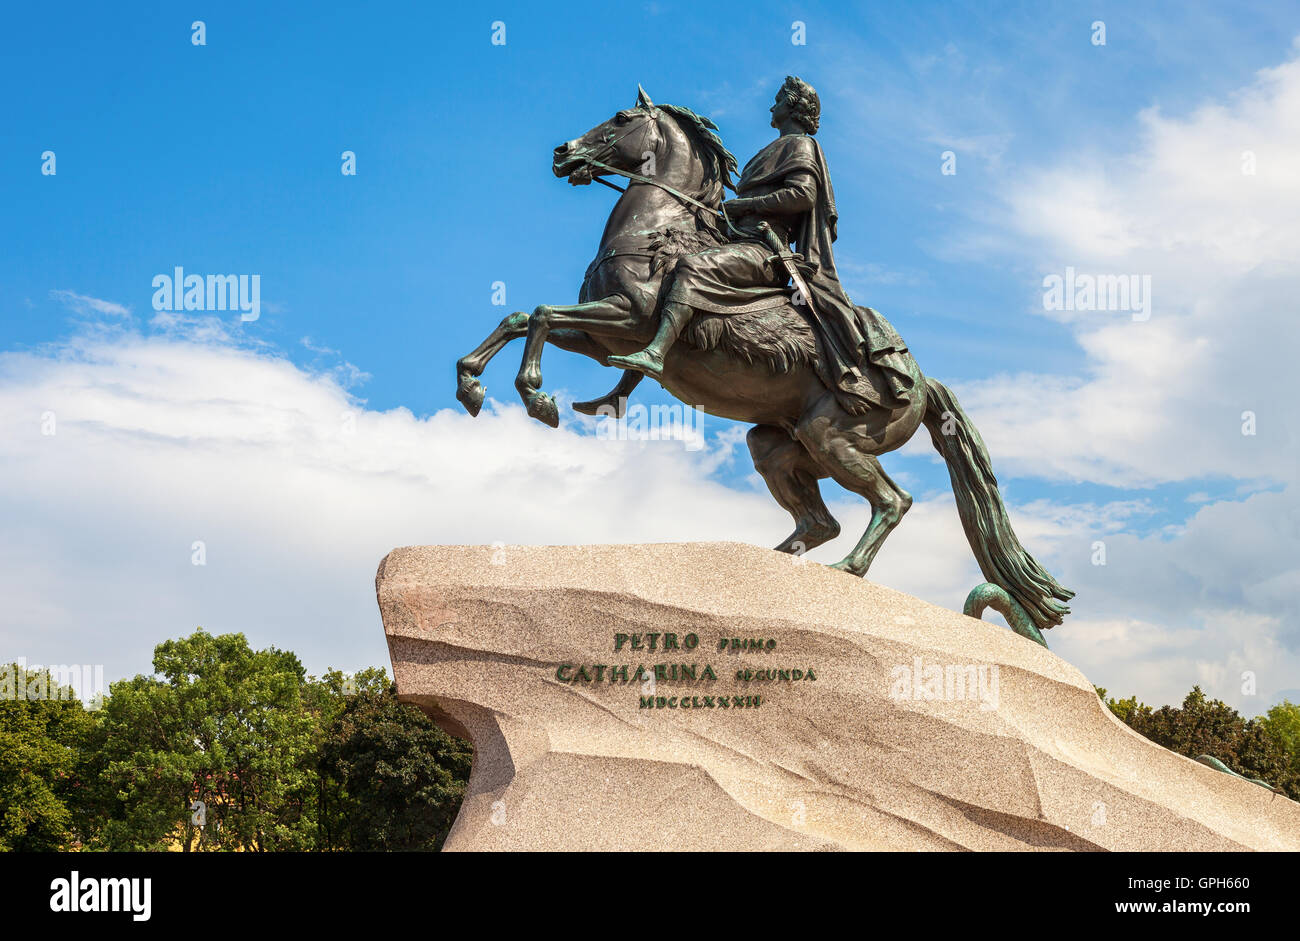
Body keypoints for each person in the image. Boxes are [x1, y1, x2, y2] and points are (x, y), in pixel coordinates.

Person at [607, 75, 913, 415]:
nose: (772, 105)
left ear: (794, 107)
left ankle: (655, 353)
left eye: (780, 99)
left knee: (691, 267)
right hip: (740, 238)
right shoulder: (772, 149)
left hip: (766, 248)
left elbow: (803, 195)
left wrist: (744, 206)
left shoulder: (800, 145)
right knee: (658, 285)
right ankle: (621, 392)